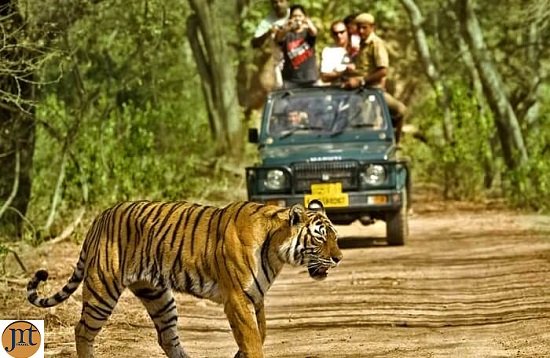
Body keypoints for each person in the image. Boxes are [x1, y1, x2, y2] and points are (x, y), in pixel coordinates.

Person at [342, 13, 407, 143]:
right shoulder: (361, 44)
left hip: (372, 90)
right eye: (359, 28)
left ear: (372, 27)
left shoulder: (376, 44)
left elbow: (383, 71)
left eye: (364, 28)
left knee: (399, 111)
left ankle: (395, 144)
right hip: (360, 89)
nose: (361, 31)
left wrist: (361, 81)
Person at [275, 5, 319, 88]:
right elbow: (278, 38)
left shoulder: (308, 33)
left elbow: (314, 32)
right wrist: (288, 26)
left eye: (300, 16)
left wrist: (307, 21)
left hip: (309, 79)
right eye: (294, 16)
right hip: (291, 80)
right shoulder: (287, 35)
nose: (297, 18)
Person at [251, 0, 290, 89]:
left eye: (281, 1)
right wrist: (268, 33)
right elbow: (254, 43)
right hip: (277, 64)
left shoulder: (294, 15)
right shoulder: (267, 22)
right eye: (275, 2)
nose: (278, 5)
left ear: (287, 2)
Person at [319, 20, 355, 86]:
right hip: (338, 91)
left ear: (348, 31)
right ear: (332, 35)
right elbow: (324, 77)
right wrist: (343, 72)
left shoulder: (357, 47)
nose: (339, 35)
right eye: (335, 33)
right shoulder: (328, 51)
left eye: (342, 32)